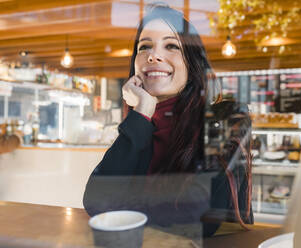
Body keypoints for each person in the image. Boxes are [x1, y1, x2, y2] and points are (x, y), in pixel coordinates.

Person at [83, 4, 253, 242]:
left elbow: (198, 220)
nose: (153, 55)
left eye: (171, 45)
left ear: (192, 63)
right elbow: (96, 201)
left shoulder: (224, 120)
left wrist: (124, 208)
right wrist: (142, 112)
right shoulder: (141, 125)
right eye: (144, 47)